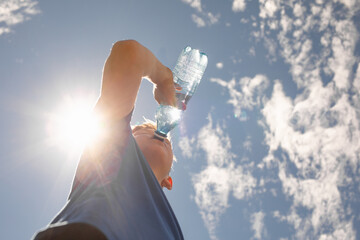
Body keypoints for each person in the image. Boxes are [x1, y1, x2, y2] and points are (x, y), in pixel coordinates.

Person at [33, 40, 184, 240]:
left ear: (168, 181)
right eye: (141, 130)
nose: (158, 134)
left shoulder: (173, 229)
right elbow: (129, 54)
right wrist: (164, 78)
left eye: (169, 143)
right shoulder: (110, 152)